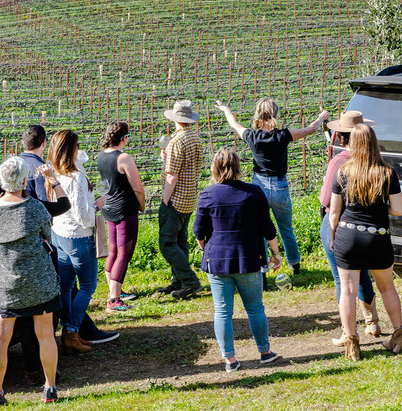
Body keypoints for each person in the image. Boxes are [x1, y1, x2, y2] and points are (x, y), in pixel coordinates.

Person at [0, 157, 61, 406]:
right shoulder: (33, 207)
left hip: (5, 283)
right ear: (24, 180)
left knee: (0, 337)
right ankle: (50, 387)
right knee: (45, 334)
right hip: (39, 281)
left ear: (2, 180)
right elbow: (47, 233)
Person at [216, 98, 328, 277]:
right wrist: (321, 117)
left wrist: (226, 110)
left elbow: (234, 124)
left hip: (258, 186)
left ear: (257, 115)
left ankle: (263, 266)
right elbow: (311, 129)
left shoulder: (251, 136)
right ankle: (294, 264)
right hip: (279, 186)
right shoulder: (283, 135)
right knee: (286, 228)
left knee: (259, 228)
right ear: (275, 114)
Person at [193, 148, 282, 372]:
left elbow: (199, 232)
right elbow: (267, 228)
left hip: (217, 261)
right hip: (248, 259)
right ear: (239, 167)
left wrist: (207, 249)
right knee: (255, 308)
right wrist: (276, 253)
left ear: (214, 168)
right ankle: (265, 352)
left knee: (222, 311)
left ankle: (229, 360)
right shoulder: (254, 193)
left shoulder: (207, 194)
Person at [329, 124, 402, 361]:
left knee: (348, 291)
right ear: (374, 142)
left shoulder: (342, 171)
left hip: (348, 236)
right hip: (378, 236)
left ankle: (352, 343)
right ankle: (398, 335)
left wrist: (333, 237)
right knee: (387, 287)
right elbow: (398, 209)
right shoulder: (387, 173)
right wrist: (379, 208)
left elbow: (334, 212)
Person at [319, 112, 380, 345]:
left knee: (341, 279)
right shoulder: (376, 160)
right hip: (367, 224)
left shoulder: (339, 161)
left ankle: (348, 330)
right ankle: (372, 321)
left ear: (343, 137)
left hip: (339, 222)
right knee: (363, 273)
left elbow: (326, 199)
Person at [48, 130, 105, 354]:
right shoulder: (76, 177)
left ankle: (69, 331)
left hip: (59, 234)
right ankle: (71, 331)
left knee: (66, 285)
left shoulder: (54, 174)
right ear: (71, 149)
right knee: (88, 285)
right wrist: (98, 205)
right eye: (77, 145)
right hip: (79, 236)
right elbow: (83, 215)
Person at [156, 100, 204, 300]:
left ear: (175, 119)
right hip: (190, 197)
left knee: (167, 243)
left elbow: (172, 176)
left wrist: (165, 201)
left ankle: (190, 281)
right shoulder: (195, 138)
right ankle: (180, 281)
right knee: (180, 241)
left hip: (175, 199)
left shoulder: (176, 141)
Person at [97, 121, 145, 312]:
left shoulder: (101, 156)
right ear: (124, 138)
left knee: (114, 251)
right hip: (126, 210)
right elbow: (138, 188)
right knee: (124, 254)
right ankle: (113, 299)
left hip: (109, 209)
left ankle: (113, 290)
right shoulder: (124, 158)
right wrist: (142, 205)